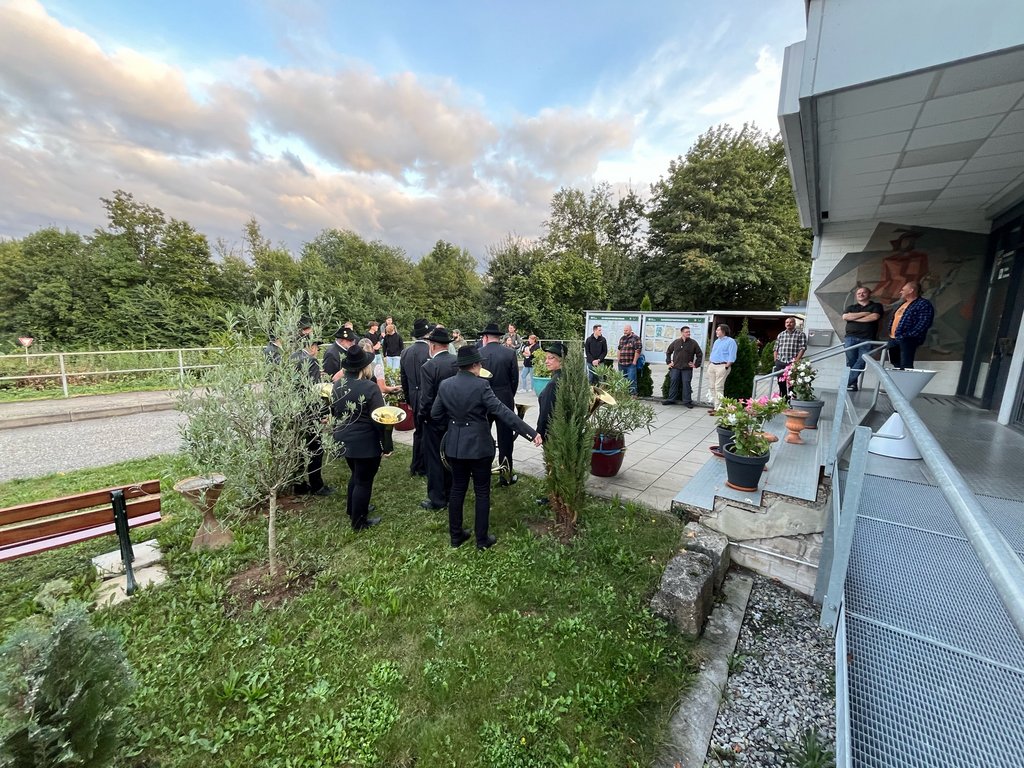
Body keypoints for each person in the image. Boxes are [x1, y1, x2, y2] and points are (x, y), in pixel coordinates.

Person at [433, 346, 542, 549]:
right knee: (482, 491)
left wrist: (455, 423)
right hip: (479, 447)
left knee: (457, 489)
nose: (481, 367)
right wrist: (531, 433)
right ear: (475, 365)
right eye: (480, 364)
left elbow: (435, 414)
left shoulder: (445, 385)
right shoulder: (481, 385)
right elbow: (503, 412)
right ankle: (481, 540)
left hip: (454, 446)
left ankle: (456, 536)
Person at [330, 345, 387, 530]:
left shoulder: (338, 385)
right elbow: (379, 418)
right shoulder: (370, 387)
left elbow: (334, 411)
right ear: (364, 367)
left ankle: (353, 508)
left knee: (356, 475)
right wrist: (386, 444)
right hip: (365, 442)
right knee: (364, 481)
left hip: (344, 437)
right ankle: (359, 521)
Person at [418, 326, 459, 510]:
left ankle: (438, 499)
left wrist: (422, 418)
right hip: (455, 417)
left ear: (433, 346)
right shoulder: (457, 362)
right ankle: (452, 493)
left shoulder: (429, 367)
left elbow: (426, 399)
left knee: (435, 459)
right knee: (452, 456)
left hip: (435, 420)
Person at [289, 335, 332, 496]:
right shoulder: (311, 362)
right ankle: (317, 485)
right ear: (311, 346)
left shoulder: (292, 357)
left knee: (299, 449)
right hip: (309, 413)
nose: (317, 350)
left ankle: (299, 484)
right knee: (315, 448)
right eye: (317, 347)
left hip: (295, 409)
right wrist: (321, 413)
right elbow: (313, 391)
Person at [479, 322, 520, 485]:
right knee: (506, 439)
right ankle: (505, 476)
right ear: (499, 337)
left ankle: (482, 472)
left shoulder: (479, 353)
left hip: (483, 400)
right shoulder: (509, 353)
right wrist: (509, 395)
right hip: (504, 398)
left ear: (486, 337)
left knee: (482, 437)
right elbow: (514, 380)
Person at [400, 319, 432, 476]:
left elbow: (404, 379)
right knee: (428, 431)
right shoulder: (430, 351)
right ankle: (424, 465)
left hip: (413, 395)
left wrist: (408, 399)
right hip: (427, 395)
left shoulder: (405, 352)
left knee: (418, 431)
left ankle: (416, 464)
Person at [842, 286, 884, 391]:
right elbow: (845, 317)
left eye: (863, 292)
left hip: (867, 339)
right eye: (858, 293)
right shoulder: (851, 307)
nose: (861, 294)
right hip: (850, 338)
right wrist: (865, 314)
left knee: (862, 360)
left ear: (869, 294)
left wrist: (854, 318)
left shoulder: (876, 306)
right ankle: (852, 384)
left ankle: (847, 382)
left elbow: (874, 317)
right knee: (851, 362)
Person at [886, 280, 935, 369]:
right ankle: (898, 378)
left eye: (903, 289)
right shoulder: (903, 304)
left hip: (907, 339)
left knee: (906, 365)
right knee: (895, 362)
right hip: (893, 339)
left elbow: (924, 322)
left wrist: (908, 335)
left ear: (911, 290)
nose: (900, 292)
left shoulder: (923, 304)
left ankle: (905, 378)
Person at [662, 326, 703, 407]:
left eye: (689, 332)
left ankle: (687, 401)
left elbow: (699, 354)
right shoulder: (676, 342)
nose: (688, 333)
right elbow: (668, 351)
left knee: (686, 383)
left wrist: (696, 364)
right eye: (686, 332)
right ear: (682, 333)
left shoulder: (693, 343)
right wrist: (668, 362)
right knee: (673, 382)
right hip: (676, 367)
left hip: (687, 368)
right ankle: (671, 399)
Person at [536, 342, 565, 440]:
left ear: (561, 360)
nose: (546, 361)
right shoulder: (566, 376)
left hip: (552, 433)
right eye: (546, 358)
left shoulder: (554, 383)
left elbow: (546, 412)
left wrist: (540, 432)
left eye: (550, 358)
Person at [774, 316, 807, 400]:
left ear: (794, 324)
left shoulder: (800, 334)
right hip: (780, 362)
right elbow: (775, 348)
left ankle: (792, 400)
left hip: (792, 363)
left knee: (792, 383)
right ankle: (783, 399)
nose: (788, 324)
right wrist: (776, 359)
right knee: (781, 382)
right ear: (785, 324)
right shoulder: (781, 335)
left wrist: (796, 361)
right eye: (787, 322)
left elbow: (803, 348)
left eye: (791, 322)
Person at [705, 324, 737, 413]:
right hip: (712, 365)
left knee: (718, 387)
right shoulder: (717, 341)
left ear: (723, 331)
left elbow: (732, 355)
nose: (716, 331)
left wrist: (727, 366)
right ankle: (715, 405)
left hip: (722, 366)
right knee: (712, 386)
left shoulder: (731, 341)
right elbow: (713, 352)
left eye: (718, 330)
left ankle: (718, 408)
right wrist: (710, 363)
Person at [617, 324, 642, 395]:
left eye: (626, 330)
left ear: (631, 330)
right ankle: (624, 395)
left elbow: (638, 350)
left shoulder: (636, 338)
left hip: (630, 364)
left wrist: (634, 361)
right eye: (624, 330)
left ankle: (633, 395)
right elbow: (619, 349)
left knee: (631, 380)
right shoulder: (622, 338)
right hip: (621, 363)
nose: (625, 332)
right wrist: (618, 360)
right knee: (622, 380)